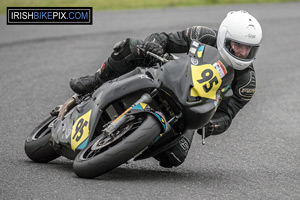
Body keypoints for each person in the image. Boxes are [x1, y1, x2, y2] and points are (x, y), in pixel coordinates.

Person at [69, 10, 262, 168]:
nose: (243, 53)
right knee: (132, 47)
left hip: (192, 107)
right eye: (238, 46)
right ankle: (94, 81)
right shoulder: (203, 35)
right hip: (172, 74)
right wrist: (155, 46)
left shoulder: (247, 83)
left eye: (249, 49)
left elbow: (227, 115)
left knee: (174, 159)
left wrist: (212, 125)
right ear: (225, 37)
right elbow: (164, 39)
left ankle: (129, 141)